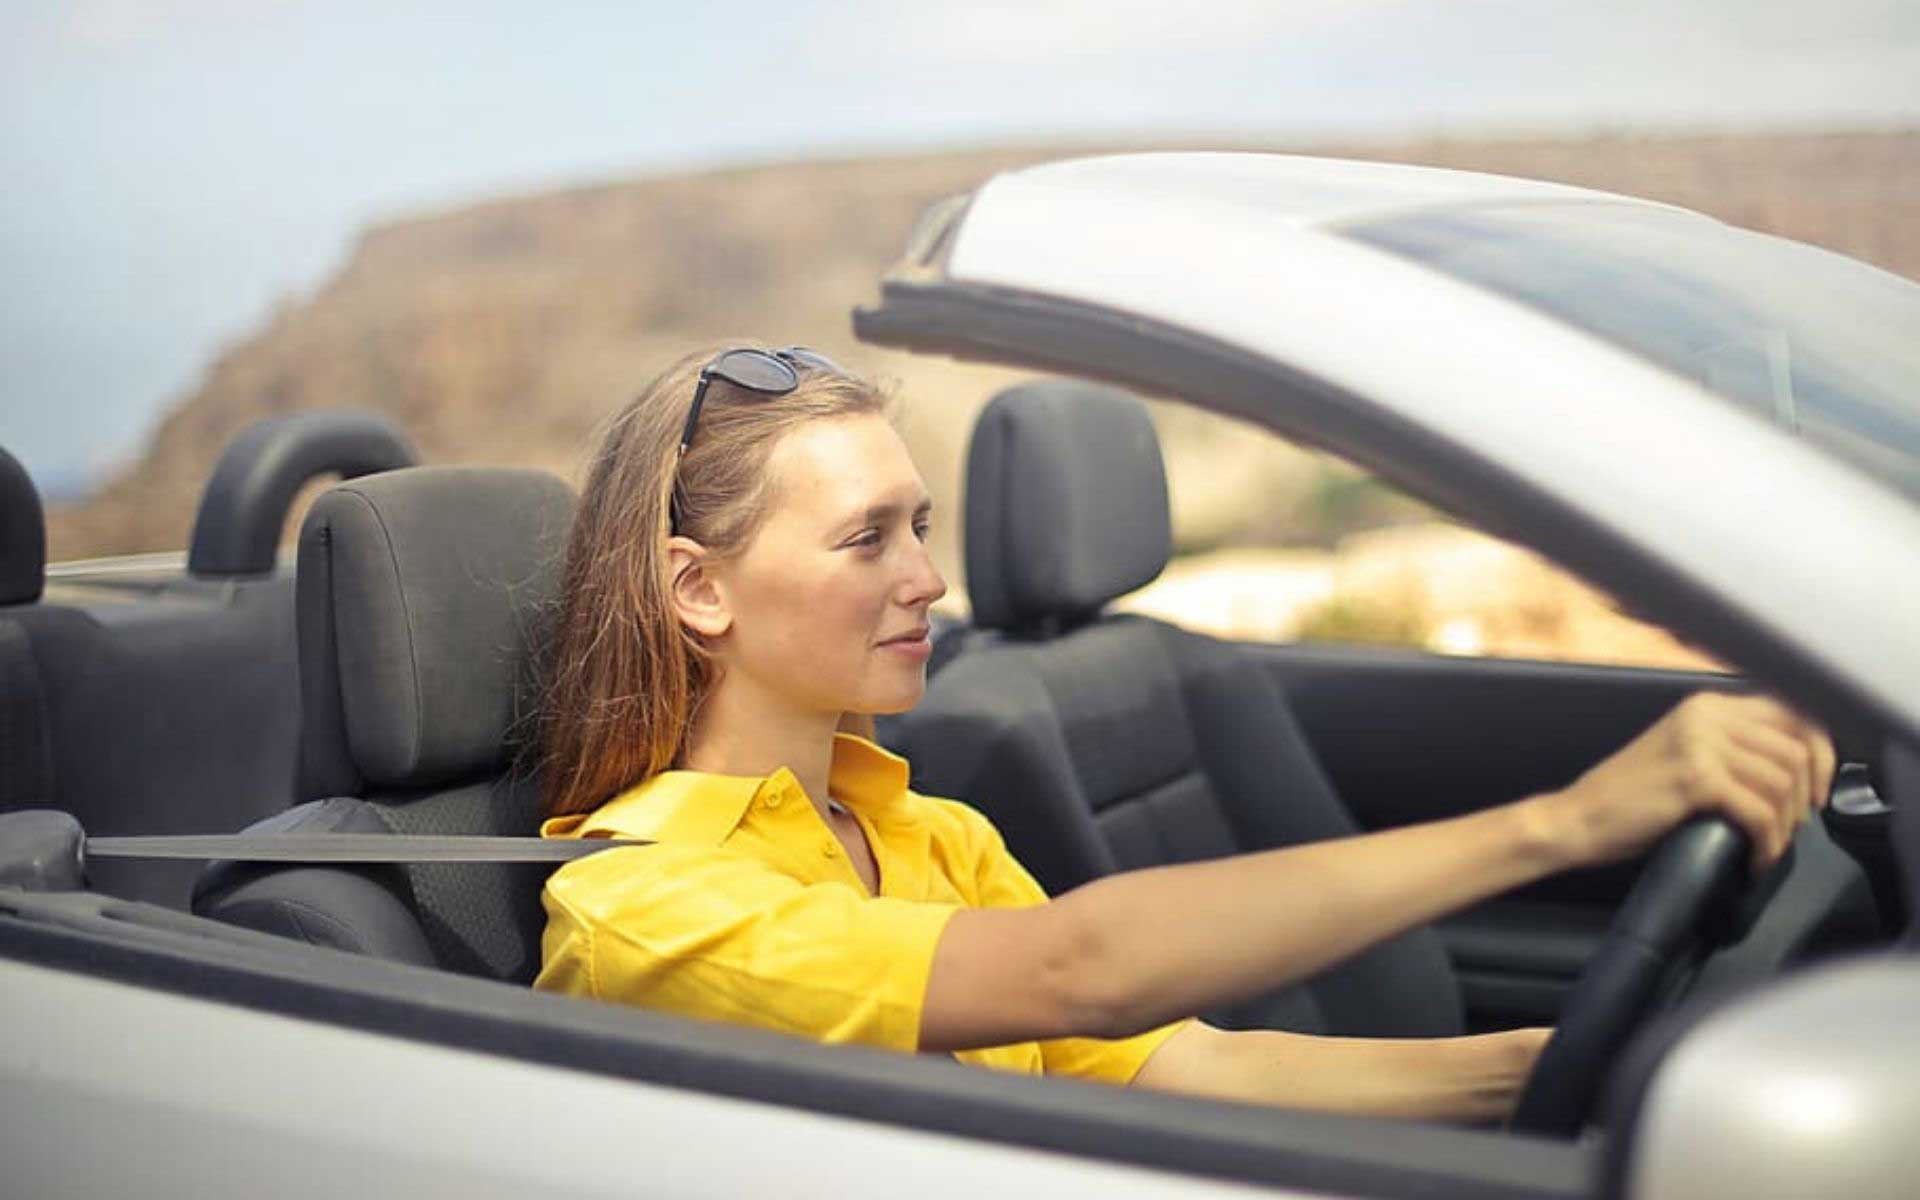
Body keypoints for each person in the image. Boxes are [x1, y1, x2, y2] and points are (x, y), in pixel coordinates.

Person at [532, 343, 1833, 1121]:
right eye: (866, 538)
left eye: (919, 526)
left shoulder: (928, 835)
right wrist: (1563, 825)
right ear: (698, 588)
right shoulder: (644, 904)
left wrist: (1577, 1071)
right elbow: (1076, 970)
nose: (927, 578)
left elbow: (1187, 1070)